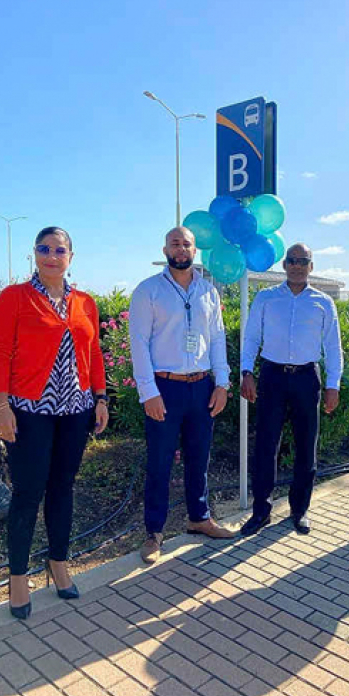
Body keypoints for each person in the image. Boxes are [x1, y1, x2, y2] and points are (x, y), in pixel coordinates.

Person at [0, 226, 108, 619]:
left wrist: (101, 398)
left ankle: (58, 562)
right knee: (27, 492)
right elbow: (1, 353)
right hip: (28, 411)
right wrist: (0, 406)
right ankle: (18, 576)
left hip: (76, 410)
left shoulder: (85, 302)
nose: (51, 256)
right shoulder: (14, 298)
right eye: (44, 249)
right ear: (34, 254)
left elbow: (94, 352)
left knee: (63, 487)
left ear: (70, 257)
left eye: (59, 250)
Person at [128, 226, 235, 565]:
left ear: (194, 250)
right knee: (159, 462)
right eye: (175, 243)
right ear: (165, 248)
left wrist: (223, 383)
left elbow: (217, 339)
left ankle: (199, 518)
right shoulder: (148, 291)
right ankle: (154, 532)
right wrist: (149, 392)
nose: (181, 248)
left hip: (202, 386)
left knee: (199, 458)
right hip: (165, 388)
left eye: (186, 243)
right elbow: (139, 344)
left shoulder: (208, 292)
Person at [239, 243, 343, 536]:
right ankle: (261, 511)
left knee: (306, 446)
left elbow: (333, 347)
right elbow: (251, 339)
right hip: (272, 376)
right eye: (292, 260)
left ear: (312, 266)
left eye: (303, 261)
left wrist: (333, 386)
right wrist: (247, 372)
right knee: (265, 446)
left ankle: (300, 509)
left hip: (306, 378)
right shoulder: (266, 298)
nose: (297, 265)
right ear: (284, 265)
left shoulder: (323, 302)